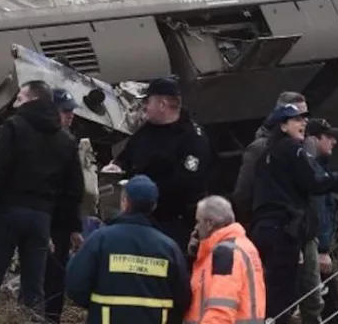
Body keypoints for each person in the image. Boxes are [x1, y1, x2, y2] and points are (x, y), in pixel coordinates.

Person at [251, 103, 338, 324]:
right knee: (285, 295)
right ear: (282, 125)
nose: (303, 123)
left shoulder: (265, 156)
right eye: (296, 119)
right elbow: (315, 183)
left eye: (304, 119)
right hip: (286, 232)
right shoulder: (293, 149)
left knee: (276, 291)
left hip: (267, 229)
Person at [0, 80, 84, 312]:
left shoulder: (14, 127)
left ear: (34, 100)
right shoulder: (65, 139)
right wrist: (69, 225)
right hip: (41, 218)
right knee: (34, 289)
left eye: (20, 98)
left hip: (6, 212)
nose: (15, 103)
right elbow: (74, 188)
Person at [66, 175, 192, 324]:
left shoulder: (100, 239)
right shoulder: (169, 248)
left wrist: (96, 307)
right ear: (154, 206)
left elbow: (75, 285)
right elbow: (183, 298)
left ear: (125, 201)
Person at [114, 76, 211, 253]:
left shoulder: (192, 138)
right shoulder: (146, 131)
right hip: (143, 217)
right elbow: (127, 157)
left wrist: (146, 190)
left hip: (175, 220)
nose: (144, 107)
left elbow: (186, 181)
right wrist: (117, 167)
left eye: (147, 101)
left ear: (163, 104)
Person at [233, 91, 308, 227]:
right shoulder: (260, 149)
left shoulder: (303, 147)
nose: (305, 121)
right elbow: (243, 194)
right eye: (298, 117)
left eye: (305, 116)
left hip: (298, 229)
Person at [186, 195, 265, 324]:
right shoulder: (244, 246)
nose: (196, 228)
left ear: (209, 223)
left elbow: (221, 307)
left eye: (198, 221)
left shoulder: (225, 253)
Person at [45, 87, 85, 323]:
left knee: (53, 277)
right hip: (47, 219)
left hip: (57, 221)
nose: (70, 115)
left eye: (71, 111)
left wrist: (74, 226)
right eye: (65, 111)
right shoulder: (61, 143)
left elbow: (74, 191)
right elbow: (73, 189)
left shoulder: (68, 141)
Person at [301, 118, 338, 324]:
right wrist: (323, 250)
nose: (334, 142)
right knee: (329, 308)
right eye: (328, 137)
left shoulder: (318, 169)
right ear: (313, 139)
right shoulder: (314, 172)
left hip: (311, 249)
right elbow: (319, 214)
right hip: (315, 251)